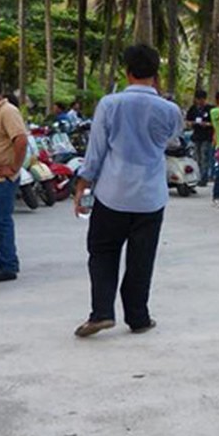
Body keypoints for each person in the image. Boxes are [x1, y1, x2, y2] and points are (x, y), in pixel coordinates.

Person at [71, 46, 182, 335]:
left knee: (102, 251)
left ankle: (102, 313)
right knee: (142, 258)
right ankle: (139, 317)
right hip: (151, 196)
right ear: (156, 75)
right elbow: (171, 140)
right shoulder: (171, 110)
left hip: (113, 193)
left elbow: (95, 152)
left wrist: (83, 184)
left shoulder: (110, 104)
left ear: (127, 72)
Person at [0, 73, 28, 283]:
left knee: (0, 221)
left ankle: (8, 265)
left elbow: (21, 140)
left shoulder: (7, 112)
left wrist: (13, 168)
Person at [186, 90, 214, 187]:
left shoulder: (210, 109)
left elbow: (215, 123)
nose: (200, 102)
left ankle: (204, 178)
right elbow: (188, 121)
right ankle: (196, 177)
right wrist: (192, 123)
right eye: (198, 100)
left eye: (202, 100)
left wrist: (207, 124)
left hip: (206, 136)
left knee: (204, 157)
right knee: (196, 157)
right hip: (196, 136)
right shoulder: (193, 109)